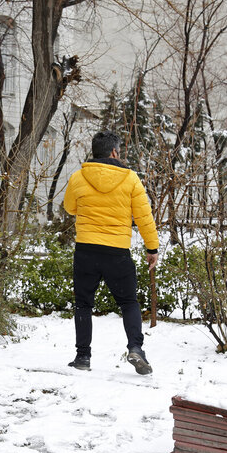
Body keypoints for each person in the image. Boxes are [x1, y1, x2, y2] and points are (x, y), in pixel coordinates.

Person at [63, 130, 159, 375]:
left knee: (83, 304)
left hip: (86, 249)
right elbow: (144, 216)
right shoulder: (130, 179)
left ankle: (83, 356)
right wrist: (152, 248)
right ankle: (136, 348)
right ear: (114, 152)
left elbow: (69, 207)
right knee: (128, 302)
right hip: (117, 251)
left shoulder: (78, 177)